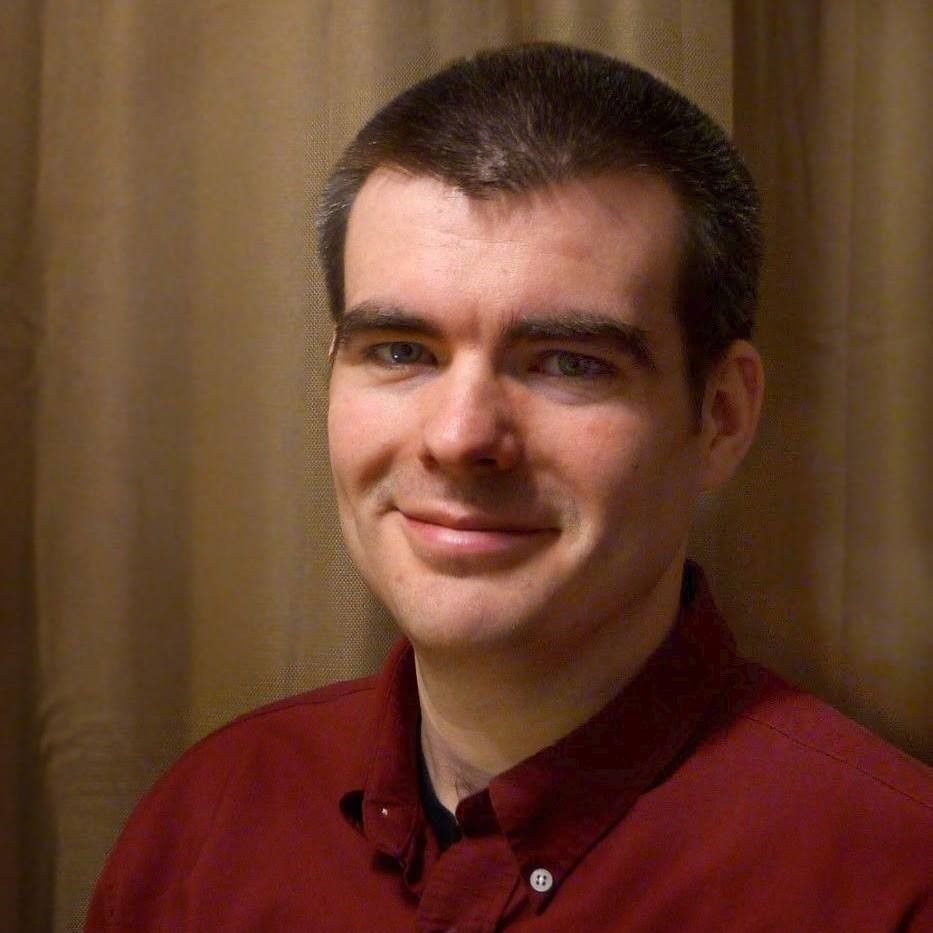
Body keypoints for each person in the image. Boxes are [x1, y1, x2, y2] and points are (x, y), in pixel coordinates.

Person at [85, 43, 931, 931]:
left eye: (567, 363)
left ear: (719, 416)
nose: (459, 438)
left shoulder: (888, 881)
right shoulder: (202, 825)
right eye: (402, 352)